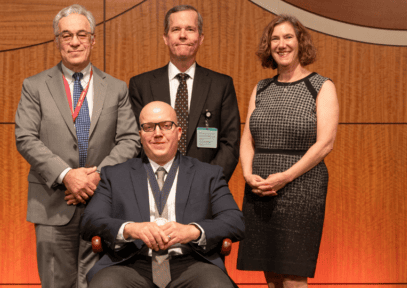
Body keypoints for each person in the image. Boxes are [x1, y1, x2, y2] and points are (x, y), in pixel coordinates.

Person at [15, 4, 140, 288]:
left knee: (100, 282)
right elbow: (25, 137)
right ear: (57, 41)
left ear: (93, 40)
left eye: (82, 35)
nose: (74, 41)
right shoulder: (34, 86)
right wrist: (68, 176)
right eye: (66, 35)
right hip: (52, 203)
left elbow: (130, 139)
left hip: (104, 202)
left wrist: (96, 177)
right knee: (56, 283)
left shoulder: (116, 88)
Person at [80, 101, 245, 288]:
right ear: (140, 135)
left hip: (191, 262)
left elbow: (235, 221)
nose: (158, 133)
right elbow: (90, 221)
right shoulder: (115, 175)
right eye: (149, 127)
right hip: (130, 262)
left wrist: (192, 231)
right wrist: (130, 229)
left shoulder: (207, 174)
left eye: (166, 126)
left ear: (179, 132)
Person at [236, 14, 339, 287]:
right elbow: (247, 138)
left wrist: (286, 176)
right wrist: (247, 174)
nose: (282, 44)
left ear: (300, 42)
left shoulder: (321, 86)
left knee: (293, 274)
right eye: (275, 39)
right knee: (270, 274)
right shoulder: (262, 88)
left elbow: (325, 143)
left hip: (301, 187)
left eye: (288, 37)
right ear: (269, 46)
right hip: (260, 187)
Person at [129, 5, 240, 182]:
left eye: (190, 29)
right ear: (166, 38)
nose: (183, 35)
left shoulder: (221, 85)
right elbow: (134, 141)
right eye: (175, 29)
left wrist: (207, 184)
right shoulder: (141, 85)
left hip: (205, 188)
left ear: (200, 37)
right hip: (153, 186)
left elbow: (230, 144)